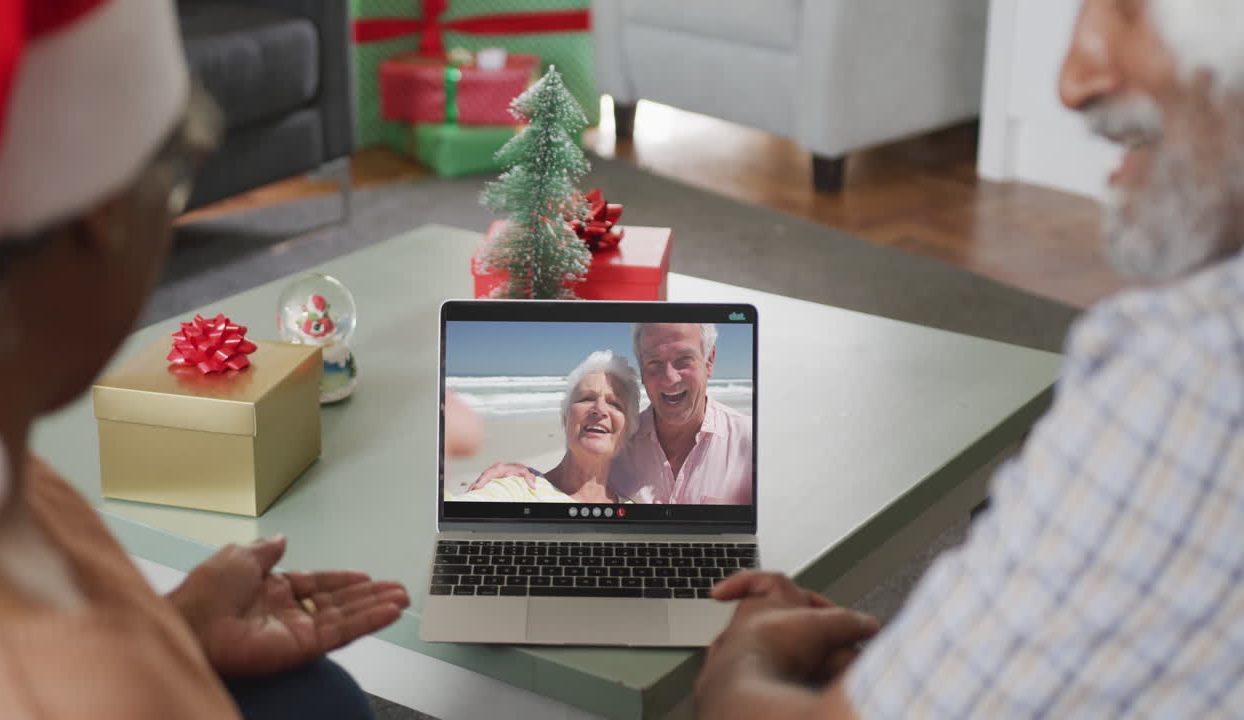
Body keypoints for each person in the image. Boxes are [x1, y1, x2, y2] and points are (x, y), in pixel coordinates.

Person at [695, 1, 1244, 717]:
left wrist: (742, 661)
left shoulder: (1193, 370)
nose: (1072, 81)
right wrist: (928, 657)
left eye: (1131, 6)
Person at [0, 2, 408, 718]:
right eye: (176, 179)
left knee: (317, 695)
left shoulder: (11, 466)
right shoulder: (66, 686)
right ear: (100, 214)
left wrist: (178, 628)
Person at [470, 323, 752, 504]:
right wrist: (519, 475)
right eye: (654, 362)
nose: (669, 378)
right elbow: (567, 481)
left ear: (710, 360)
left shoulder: (750, 442)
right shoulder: (618, 441)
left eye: (683, 360)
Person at [452, 351, 639, 503]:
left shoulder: (633, 513)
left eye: (614, 403)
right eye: (587, 398)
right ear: (565, 418)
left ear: (627, 429)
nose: (599, 409)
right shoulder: (518, 489)